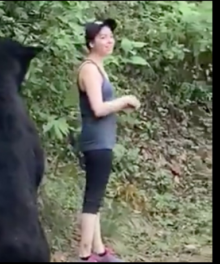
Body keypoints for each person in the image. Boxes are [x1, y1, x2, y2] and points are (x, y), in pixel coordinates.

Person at [76, 19, 140, 262]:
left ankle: (99, 251)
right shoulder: (89, 69)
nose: (109, 40)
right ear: (91, 42)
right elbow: (98, 108)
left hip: (102, 140)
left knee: (96, 197)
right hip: (96, 142)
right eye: (103, 36)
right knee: (92, 199)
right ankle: (84, 254)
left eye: (111, 36)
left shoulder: (98, 67)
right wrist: (124, 101)